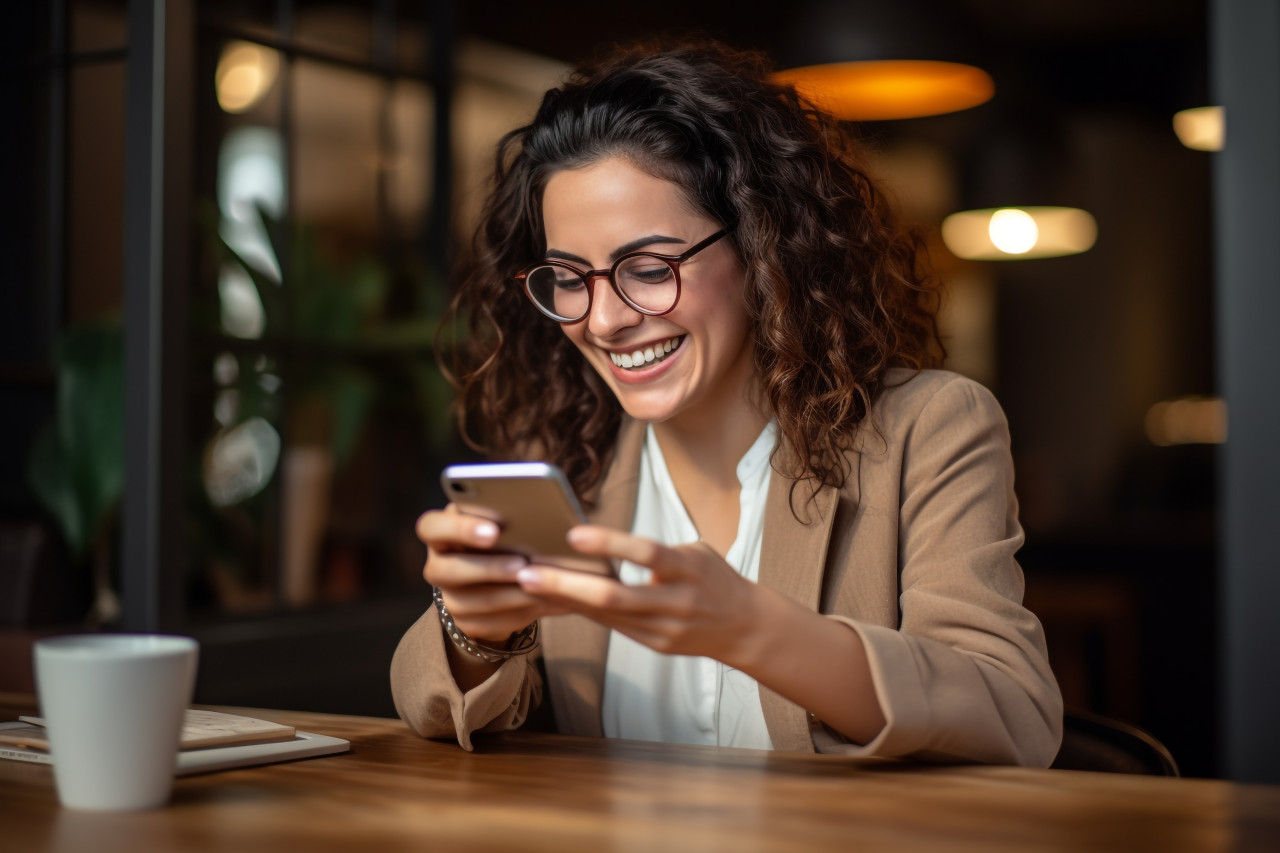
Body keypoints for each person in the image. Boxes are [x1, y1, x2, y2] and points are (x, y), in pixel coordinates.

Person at [390, 40, 1062, 766]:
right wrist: (473, 630)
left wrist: (752, 629)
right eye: (569, 277)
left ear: (763, 248)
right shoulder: (566, 454)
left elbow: (1012, 712)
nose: (605, 319)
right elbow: (433, 707)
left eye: (647, 268)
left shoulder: (927, 429)